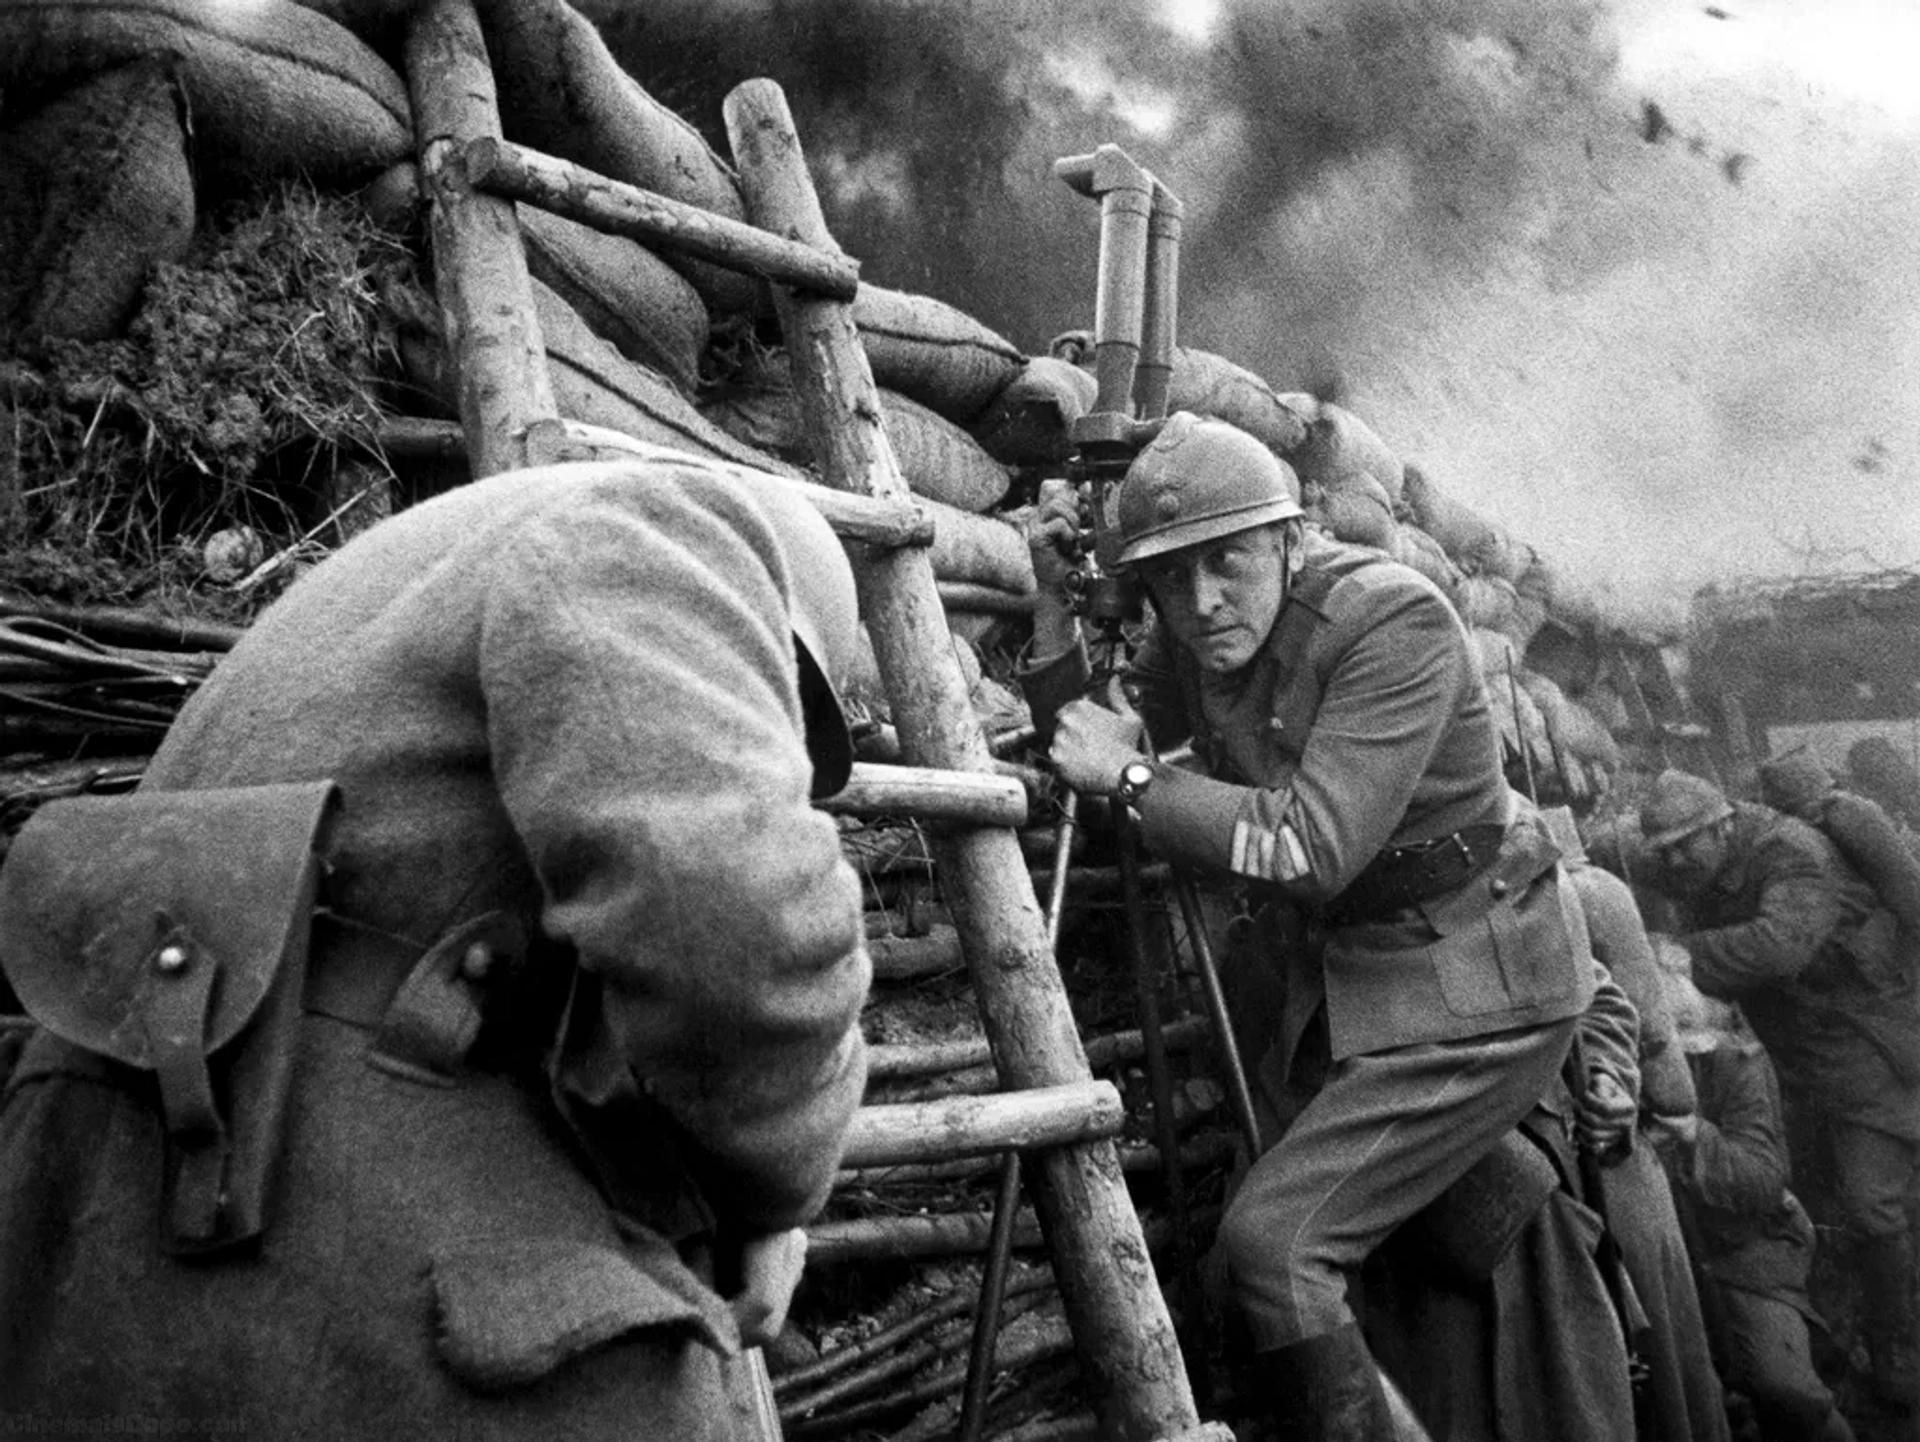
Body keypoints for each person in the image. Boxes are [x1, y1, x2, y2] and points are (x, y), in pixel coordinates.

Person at [0, 457, 873, 1436]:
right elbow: (717, 908)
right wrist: (773, 1188)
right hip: (336, 1178)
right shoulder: (683, 527)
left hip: (92, 1197)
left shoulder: (395, 587)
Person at [1020, 411, 1595, 1440]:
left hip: (1479, 977)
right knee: (1318, 1241)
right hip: (1357, 971)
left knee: (1275, 1246)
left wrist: (1141, 776)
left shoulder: (1391, 622)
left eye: (1226, 563)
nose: (1200, 603)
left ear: (1289, 537)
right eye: (1171, 576)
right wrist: (1052, 608)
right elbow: (1093, 743)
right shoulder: (1200, 629)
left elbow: (1311, 843)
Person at [1631, 767, 1920, 1410]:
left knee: (1874, 1205)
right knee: (1816, 1197)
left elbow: (1780, 946)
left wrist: (1673, 955)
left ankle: (1899, 1358)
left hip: (1862, 1042)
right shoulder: (1699, 863)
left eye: (1688, 843)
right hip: (1796, 1051)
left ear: (1724, 824)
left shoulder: (1792, 852)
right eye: (1666, 849)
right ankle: (1832, 1341)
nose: (1676, 859)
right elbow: (1620, 853)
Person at [1541, 805, 1732, 1442]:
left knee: (1651, 1370)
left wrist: (1610, 1084)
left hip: (1603, 1159)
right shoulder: (1594, 891)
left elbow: (1644, 1037)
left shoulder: (1581, 897)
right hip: (1610, 1152)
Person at [1648, 953, 1857, 1442]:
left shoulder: (1734, 1064)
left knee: (1783, 1387)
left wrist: (1695, 1137)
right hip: (1658, 1259)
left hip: (1741, 1252)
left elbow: (1763, 1178)